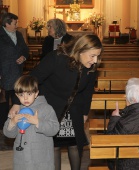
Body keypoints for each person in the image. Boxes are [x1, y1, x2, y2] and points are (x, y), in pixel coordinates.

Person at [9, 34, 102, 170]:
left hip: (74, 108)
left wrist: (84, 113)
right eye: (92, 55)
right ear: (80, 50)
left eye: (98, 56)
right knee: (54, 146)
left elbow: (87, 92)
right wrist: (17, 102)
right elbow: (32, 79)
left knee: (75, 144)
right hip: (52, 108)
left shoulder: (91, 67)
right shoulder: (56, 57)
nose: (95, 60)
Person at [3, 75, 59, 170]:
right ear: (17, 95)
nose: (25, 98)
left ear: (36, 93)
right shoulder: (17, 110)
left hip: (41, 159)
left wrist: (37, 122)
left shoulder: (46, 108)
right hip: (22, 159)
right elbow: (9, 134)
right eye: (21, 95)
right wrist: (12, 122)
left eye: (29, 94)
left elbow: (54, 129)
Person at [0, 12, 29, 129]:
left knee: (18, 99)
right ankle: (3, 126)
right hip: (4, 73)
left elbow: (25, 49)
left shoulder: (18, 34)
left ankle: (18, 123)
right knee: (3, 102)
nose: (17, 25)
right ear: (7, 23)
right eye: (15, 23)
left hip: (17, 72)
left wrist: (24, 56)